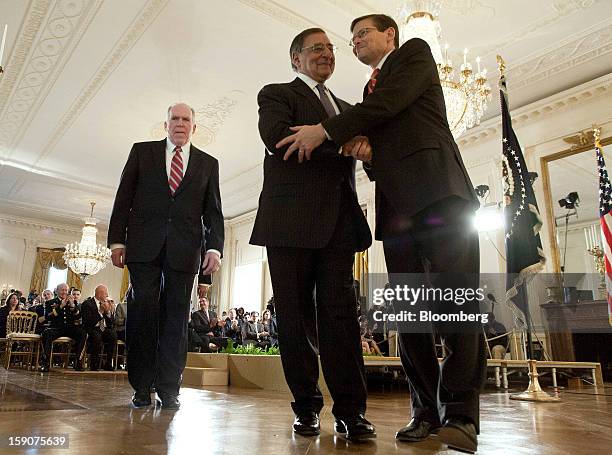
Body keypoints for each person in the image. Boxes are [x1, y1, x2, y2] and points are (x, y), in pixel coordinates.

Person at [277, 14, 485, 453]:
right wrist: (362, 147)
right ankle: (425, 413)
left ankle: (462, 414)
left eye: (361, 34)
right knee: (411, 318)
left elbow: (389, 106)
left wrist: (328, 130)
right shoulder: (365, 95)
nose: (353, 43)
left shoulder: (413, 55)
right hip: (397, 214)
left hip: (440, 195)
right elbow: (375, 143)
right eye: (350, 39)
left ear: (390, 34)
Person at [250, 27, 375, 441]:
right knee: (294, 317)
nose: (326, 53)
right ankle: (305, 406)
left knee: (340, 318)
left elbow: (368, 153)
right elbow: (278, 139)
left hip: (339, 224)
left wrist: (365, 150)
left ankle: (352, 412)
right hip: (288, 223)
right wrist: (340, 143)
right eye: (316, 48)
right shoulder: (277, 94)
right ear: (296, 59)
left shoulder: (346, 107)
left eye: (330, 48)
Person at [107, 102, 224, 410]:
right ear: (166, 124)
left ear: (194, 127)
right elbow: (123, 198)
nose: (180, 123)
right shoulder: (141, 152)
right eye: (175, 118)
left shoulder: (208, 163)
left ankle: (170, 388)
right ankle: (141, 387)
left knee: (175, 321)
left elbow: (213, 211)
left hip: (185, 251)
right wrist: (118, 241)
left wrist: (214, 248)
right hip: (144, 248)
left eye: (186, 119)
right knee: (142, 312)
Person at [40, 283, 86, 372]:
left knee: (83, 333)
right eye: (62, 290)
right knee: (46, 333)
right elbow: (48, 317)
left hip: (70, 328)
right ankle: (45, 363)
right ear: (57, 291)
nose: (64, 292)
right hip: (56, 328)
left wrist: (72, 306)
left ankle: (78, 361)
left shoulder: (73, 302)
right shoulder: (50, 302)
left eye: (66, 290)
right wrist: (60, 307)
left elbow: (78, 316)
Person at [81, 285, 117, 371]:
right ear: (100, 294)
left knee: (113, 335)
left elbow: (111, 324)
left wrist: (108, 312)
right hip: (92, 328)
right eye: (106, 293)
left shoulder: (106, 303)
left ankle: (108, 363)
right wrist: (100, 312)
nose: (107, 295)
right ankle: (94, 364)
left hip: (104, 329)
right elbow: (88, 322)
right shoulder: (87, 303)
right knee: (97, 337)